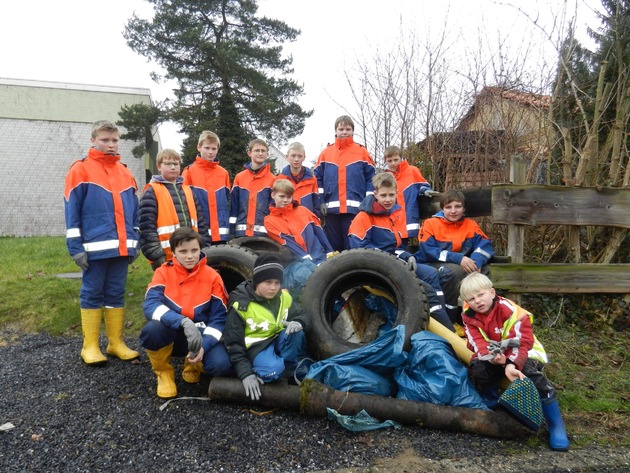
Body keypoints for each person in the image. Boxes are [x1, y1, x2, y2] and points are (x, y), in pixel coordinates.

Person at [459, 272, 570, 451]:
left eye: (481, 295)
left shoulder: (512, 311)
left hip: (524, 353)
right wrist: (491, 356)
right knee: (478, 368)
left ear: (492, 292)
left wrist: (510, 363)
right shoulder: (469, 315)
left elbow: (523, 342)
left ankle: (555, 425)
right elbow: (474, 340)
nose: (477, 301)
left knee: (531, 375)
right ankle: (492, 406)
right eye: (471, 299)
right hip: (496, 354)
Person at [64, 119, 140, 365]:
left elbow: (134, 212)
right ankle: (90, 346)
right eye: (105, 140)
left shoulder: (125, 171)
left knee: (116, 294)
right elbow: (71, 211)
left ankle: (116, 343)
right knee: (92, 293)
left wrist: (134, 241)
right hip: (93, 248)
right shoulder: (80, 170)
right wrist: (75, 248)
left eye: (114, 140)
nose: (110, 144)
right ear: (93, 140)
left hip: (121, 248)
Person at [348, 172, 454, 332]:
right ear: (375, 194)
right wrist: (395, 261)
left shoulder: (396, 213)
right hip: (375, 269)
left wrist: (407, 256)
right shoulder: (363, 217)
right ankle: (447, 333)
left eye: (391, 195)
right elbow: (359, 251)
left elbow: (397, 247)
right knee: (427, 291)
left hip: (395, 263)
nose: (388, 199)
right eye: (383, 195)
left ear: (397, 193)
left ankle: (444, 322)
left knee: (432, 274)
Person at [140, 227, 233, 398]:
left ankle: (193, 364)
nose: (189, 256)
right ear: (173, 252)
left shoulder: (213, 276)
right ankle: (164, 374)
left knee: (222, 366)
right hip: (173, 332)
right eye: (183, 251)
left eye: (194, 250)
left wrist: (204, 346)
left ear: (200, 249)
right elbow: (150, 306)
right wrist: (182, 322)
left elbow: (219, 319)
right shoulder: (163, 272)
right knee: (152, 330)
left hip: (201, 335)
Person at [223, 254, 311, 401]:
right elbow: (233, 345)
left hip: (275, 338)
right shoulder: (241, 306)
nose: (273, 287)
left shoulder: (283, 297)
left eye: (277, 283)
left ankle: (289, 370)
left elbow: (302, 314)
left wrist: (299, 322)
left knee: (297, 332)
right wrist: (245, 373)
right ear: (257, 281)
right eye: (268, 282)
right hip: (256, 348)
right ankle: (262, 369)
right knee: (272, 372)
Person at [418, 189, 494, 327]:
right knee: (453, 272)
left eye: (457, 206)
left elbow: (485, 245)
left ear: (464, 209)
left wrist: (475, 262)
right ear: (442, 208)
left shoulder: (471, 225)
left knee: (483, 270)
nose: (453, 211)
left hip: (459, 264)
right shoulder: (430, 224)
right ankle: (450, 320)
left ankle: (484, 318)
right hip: (431, 263)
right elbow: (428, 251)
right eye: (448, 207)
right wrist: (459, 258)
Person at [139, 148, 210, 270]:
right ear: (159, 166)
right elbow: (147, 229)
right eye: (168, 164)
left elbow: (201, 223)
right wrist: (156, 255)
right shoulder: (152, 191)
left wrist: (204, 248)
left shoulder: (188, 190)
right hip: (166, 258)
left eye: (176, 164)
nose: (173, 167)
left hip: (191, 256)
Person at [314, 115, 375, 251]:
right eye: (341, 129)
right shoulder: (325, 154)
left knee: (352, 244)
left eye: (348, 129)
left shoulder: (362, 152)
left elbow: (371, 179)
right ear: (335, 131)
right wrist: (321, 201)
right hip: (331, 210)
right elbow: (317, 180)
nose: (344, 132)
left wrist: (368, 201)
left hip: (356, 209)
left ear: (353, 131)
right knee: (333, 246)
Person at [264, 179, 334, 295]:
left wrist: (330, 252)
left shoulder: (303, 211)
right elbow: (287, 243)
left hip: (319, 257)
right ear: (273, 195)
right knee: (316, 285)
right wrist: (306, 259)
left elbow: (319, 232)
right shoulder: (269, 221)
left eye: (289, 196)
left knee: (332, 283)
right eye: (281, 196)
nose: (285, 200)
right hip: (298, 263)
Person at [383, 145, 438, 248]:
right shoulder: (385, 177)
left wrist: (425, 192)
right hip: (391, 217)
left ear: (401, 158)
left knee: (404, 245)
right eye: (390, 161)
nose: (393, 163)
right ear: (386, 161)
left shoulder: (412, 171)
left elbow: (422, 185)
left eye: (396, 160)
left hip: (408, 215)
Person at [182, 131, 231, 244]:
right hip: (199, 230)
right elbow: (184, 203)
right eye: (207, 148)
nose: (210, 152)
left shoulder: (224, 173)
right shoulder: (188, 172)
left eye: (214, 149)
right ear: (199, 147)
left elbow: (227, 200)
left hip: (220, 232)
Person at [230, 138, 276, 237]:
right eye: (257, 150)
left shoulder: (273, 180)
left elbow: (275, 209)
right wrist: (231, 231)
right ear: (249, 153)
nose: (260, 153)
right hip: (241, 233)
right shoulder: (239, 177)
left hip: (264, 235)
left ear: (267, 154)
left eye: (263, 151)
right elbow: (233, 207)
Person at [277, 142, 321, 218]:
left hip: (306, 222)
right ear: (287, 157)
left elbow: (316, 203)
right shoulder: (280, 179)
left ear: (304, 157)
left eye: (299, 156)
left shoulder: (312, 179)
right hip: (286, 221)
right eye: (293, 156)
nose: (296, 159)